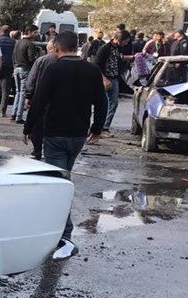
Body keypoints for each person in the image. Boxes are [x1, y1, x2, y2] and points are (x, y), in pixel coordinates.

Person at [24, 30, 106, 260]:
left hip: (55, 134)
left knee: (59, 186)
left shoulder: (53, 68)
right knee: (63, 179)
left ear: (57, 48)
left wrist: (28, 127)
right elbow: (101, 101)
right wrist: (97, 128)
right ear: (77, 47)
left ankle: (65, 236)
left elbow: (39, 100)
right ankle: (58, 231)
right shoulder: (92, 70)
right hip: (79, 135)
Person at [23, 38, 58, 159]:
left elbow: (31, 80)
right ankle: (50, 151)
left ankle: (37, 151)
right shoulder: (63, 61)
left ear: (49, 48)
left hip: (40, 98)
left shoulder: (41, 60)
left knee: (37, 126)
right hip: (57, 101)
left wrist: (29, 95)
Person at [92, 30, 123, 133]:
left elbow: (118, 60)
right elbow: (96, 64)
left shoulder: (118, 48)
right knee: (102, 103)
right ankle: (97, 126)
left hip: (114, 78)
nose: (126, 44)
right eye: (125, 41)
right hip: (104, 78)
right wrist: (104, 79)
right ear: (118, 40)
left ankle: (105, 127)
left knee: (113, 103)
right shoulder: (105, 48)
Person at [12, 25, 41, 123]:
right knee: (23, 93)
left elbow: (13, 56)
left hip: (16, 68)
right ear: (29, 32)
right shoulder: (30, 44)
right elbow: (31, 59)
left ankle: (14, 113)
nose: (36, 34)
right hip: (25, 69)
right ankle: (19, 116)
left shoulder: (18, 42)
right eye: (35, 32)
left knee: (18, 92)